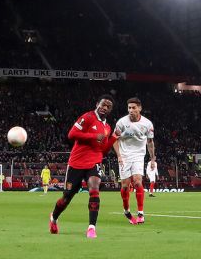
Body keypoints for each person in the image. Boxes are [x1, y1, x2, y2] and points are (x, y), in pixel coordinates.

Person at [50, 94, 117, 239]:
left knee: (94, 190)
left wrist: (113, 138)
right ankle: (54, 218)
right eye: (103, 104)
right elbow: (71, 134)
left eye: (108, 106)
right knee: (67, 197)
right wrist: (93, 136)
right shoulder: (87, 117)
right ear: (97, 104)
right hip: (77, 162)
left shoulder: (107, 127)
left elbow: (103, 150)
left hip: (94, 162)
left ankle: (91, 228)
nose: (105, 108)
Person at [112, 96, 155, 224]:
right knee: (125, 186)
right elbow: (114, 140)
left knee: (137, 182)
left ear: (140, 108)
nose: (131, 110)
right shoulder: (121, 122)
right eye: (129, 108)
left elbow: (150, 142)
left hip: (138, 155)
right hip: (124, 155)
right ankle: (126, 210)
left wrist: (152, 159)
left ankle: (141, 213)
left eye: (134, 108)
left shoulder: (147, 124)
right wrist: (119, 155)